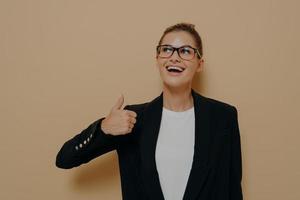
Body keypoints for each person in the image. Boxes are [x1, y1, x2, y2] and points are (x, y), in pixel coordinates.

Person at [56, 22, 243, 200]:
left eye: (185, 51)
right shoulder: (132, 119)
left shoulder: (223, 117)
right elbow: (65, 158)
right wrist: (103, 128)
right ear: (157, 59)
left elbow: (233, 189)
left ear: (200, 63)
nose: (174, 57)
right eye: (167, 49)